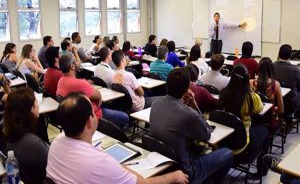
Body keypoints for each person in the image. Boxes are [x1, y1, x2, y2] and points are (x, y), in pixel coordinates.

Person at [46, 92, 188, 184]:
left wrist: (120, 170)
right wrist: (174, 176)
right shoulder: (100, 163)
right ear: (90, 122)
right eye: (94, 112)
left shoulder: (56, 142)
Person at [149, 68, 233, 183]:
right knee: (227, 153)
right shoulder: (189, 114)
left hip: (162, 162)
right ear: (186, 90)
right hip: (186, 171)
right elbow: (207, 134)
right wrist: (194, 106)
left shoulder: (155, 103)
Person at [218, 65, 269, 176]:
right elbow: (260, 108)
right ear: (247, 80)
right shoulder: (250, 97)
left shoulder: (223, 93)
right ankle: (262, 171)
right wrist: (251, 89)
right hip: (242, 145)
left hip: (223, 142)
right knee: (264, 130)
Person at [57, 53, 129, 128]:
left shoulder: (61, 81)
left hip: (75, 120)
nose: (79, 62)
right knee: (125, 117)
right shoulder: (79, 83)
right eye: (76, 61)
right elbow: (98, 96)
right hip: (93, 118)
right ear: (72, 66)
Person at [3, 88, 49, 184]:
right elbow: (53, 165)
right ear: (31, 109)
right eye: (36, 102)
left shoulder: (11, 133)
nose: (38, 105)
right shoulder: (32, 143)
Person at [250, 57, 284, 127]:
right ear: (271, 69)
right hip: (269, 120)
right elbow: (281, 110)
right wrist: (273, 108)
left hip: (254, 117)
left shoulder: (251, 83)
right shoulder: (276, 84)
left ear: (258, 68)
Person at [273, 44, 300, 116]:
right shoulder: (296, 70)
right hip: (290, 104)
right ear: (290, 56)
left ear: (278, 54)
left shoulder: (271, 66)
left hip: (275, 102)